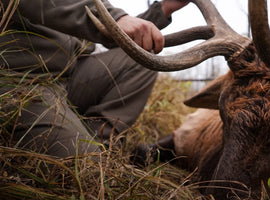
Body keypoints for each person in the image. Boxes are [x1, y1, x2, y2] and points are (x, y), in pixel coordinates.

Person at [0, 0, 189, 158]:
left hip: (70, 75)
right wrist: (117, 17)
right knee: (86, 165)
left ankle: (101, 146)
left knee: (142, 60)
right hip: (24, 80)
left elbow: (109, 30)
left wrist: (164, 9)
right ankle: (91, 155)